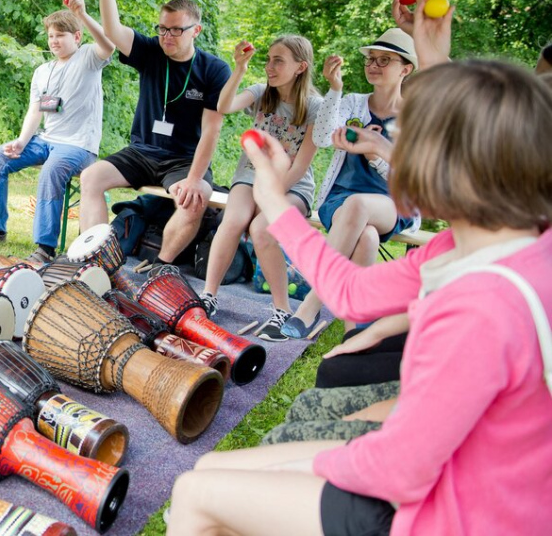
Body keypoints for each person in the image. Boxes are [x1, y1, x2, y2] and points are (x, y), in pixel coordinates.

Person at [167, 58, 552, 536]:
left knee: (193, 493)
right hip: (457, 474)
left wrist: (301, 466)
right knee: (209, 475)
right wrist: (271, 198)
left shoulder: (482, 307)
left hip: (448, 513)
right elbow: (350, 292)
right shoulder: (502, 243)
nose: (394, 156)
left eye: (407, 142)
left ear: (452, 165)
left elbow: (400, 469)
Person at [79, 0, 230, 270]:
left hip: (183, 160)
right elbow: (113, 30)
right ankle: (96, 263)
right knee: (91, 177)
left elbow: (212, 132)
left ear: (196, 31)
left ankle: (157, 268)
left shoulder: (214, 70)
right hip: (141, 152)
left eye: (176, 29)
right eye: (163, 28)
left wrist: (193, 178)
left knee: (195, 200)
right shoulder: (150, 52)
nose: (167, 36)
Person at [282, 28, 419, 339]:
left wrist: (374, 154)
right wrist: (334, 89)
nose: (373, 65)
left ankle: (310, 305)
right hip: (340, 200)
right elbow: (320, 137)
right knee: (367, 238)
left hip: (394, 202)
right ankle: (355, 329)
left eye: (385, 60)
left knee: (360, 207)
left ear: (405, 69)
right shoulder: (353, 103)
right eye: (371, 59)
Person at [0, 0, 115, 264]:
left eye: (60, 35)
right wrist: (22, 141)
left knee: (52, 170)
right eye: (50, 36)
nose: (54, 41)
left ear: (77, 36)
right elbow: (36, 110)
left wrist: (82, 13)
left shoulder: (89, 58)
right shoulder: (42, 71)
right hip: (45, 140)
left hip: (78, 145)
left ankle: (45, 247)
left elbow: (109, 44)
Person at [200, 36, 321, 340]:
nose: (269, 66)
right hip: (250, 175)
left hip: (291, 185)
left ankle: (282, 310)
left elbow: (300, 166)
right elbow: (224, 105)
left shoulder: (316, 108)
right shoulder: (260, 93)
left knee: (263, 229)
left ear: (300, 67)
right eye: (268, 59)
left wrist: (267, 197)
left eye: (278, 60)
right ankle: (208, 296)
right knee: (234, 219)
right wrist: (239, 68)